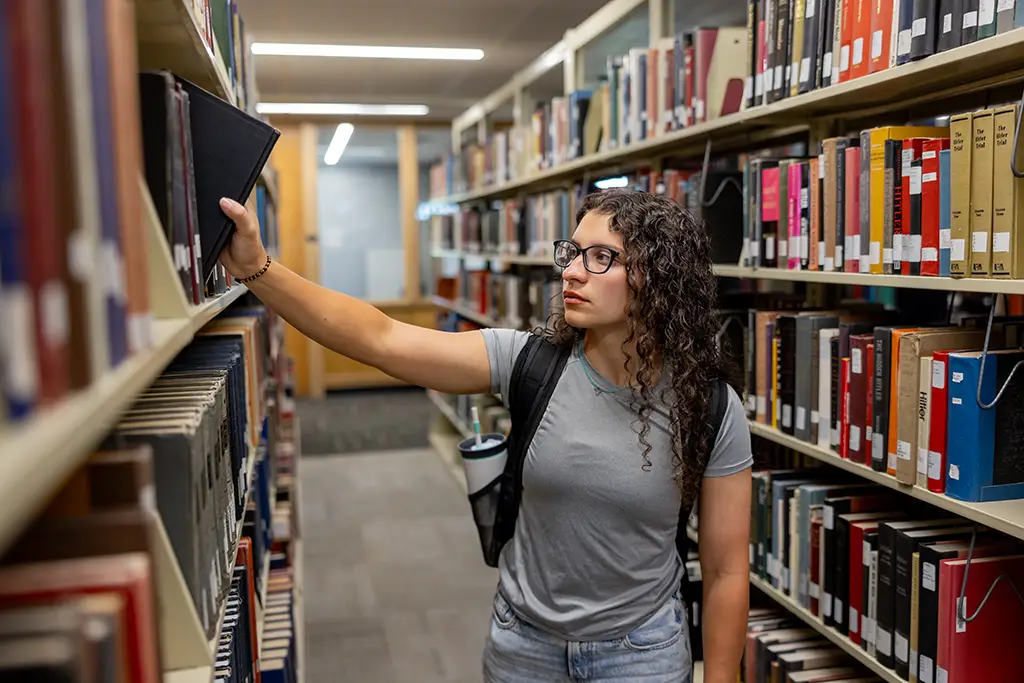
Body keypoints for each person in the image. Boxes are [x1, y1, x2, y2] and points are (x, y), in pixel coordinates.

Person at [218, 187, 753, 683]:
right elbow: (380, 338)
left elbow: (726, 570)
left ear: (657, 276)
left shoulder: (706, 405)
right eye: (572, 252)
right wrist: (258, 268)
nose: (571, 272)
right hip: (526, 647)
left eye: (601, 257)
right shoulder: (530, 362)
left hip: (642, 653)